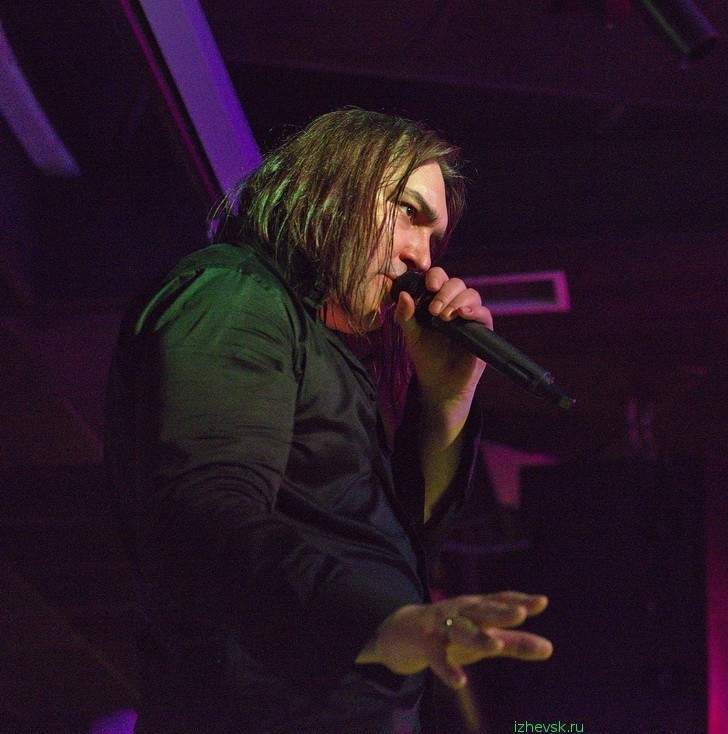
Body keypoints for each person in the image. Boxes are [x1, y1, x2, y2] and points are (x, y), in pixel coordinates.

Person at [105, 109, 553, 733]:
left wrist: (447, 399)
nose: (421, 258)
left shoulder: (326, 351)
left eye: (434, 239)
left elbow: (392, 545)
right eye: (408, 211)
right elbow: (205, 513)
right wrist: (386, 623)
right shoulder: (234, 294)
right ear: (333, 185)